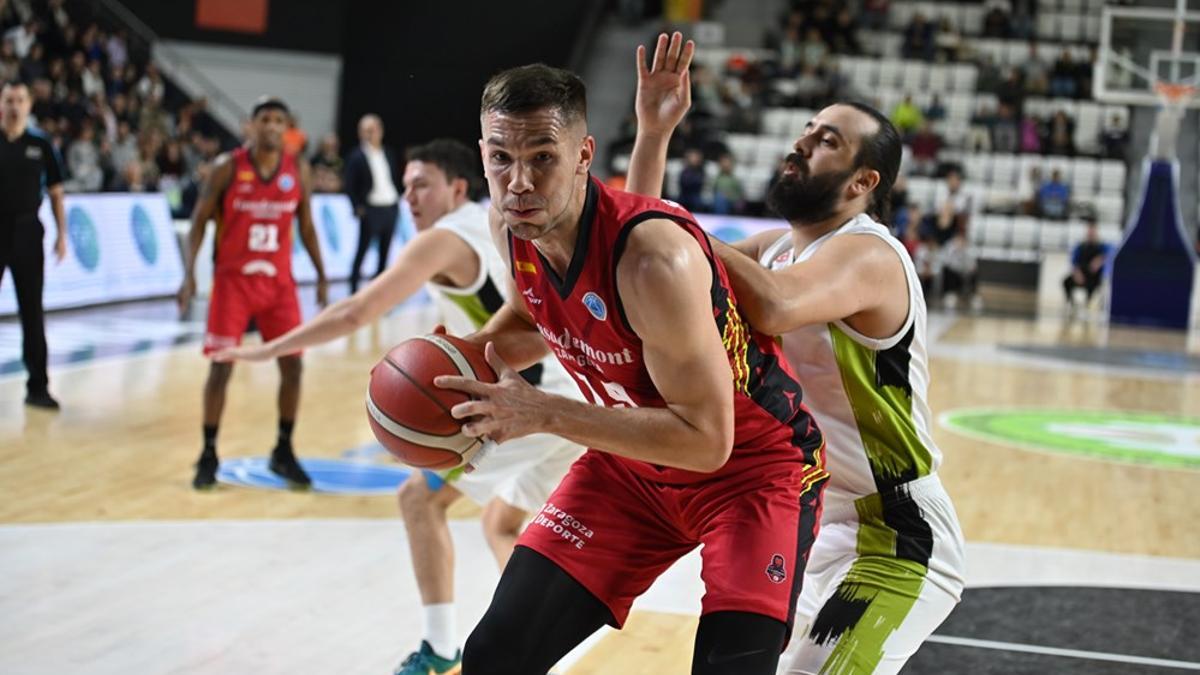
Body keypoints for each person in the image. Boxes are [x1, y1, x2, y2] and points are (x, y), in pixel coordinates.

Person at [441, 34, 826, 675]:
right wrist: (455, 360)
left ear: (584, 155)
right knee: (495, 656)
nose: (520, 181)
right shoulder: (510, 226)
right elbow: (535, 319)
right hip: (629, 468)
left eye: (543, 157)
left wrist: (543, 411)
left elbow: (708, 442)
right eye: (501, 158)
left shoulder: (655, 260)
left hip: (752, 472)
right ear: (482, 155)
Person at [627, 58, 966, 675]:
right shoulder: (779, 249)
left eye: (826, 140)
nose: (802, 142)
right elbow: (654, 245)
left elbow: (776, 305)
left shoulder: (869, 252)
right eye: (807, 130)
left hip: (894, 535)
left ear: (864, 181)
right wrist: (654, 132)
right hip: (809, 522)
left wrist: (681, 232)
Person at [213, 139, 585, 674]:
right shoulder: (488, 227)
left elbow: (356, 312)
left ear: (457, 188)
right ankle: (528, 653)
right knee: (503, 525)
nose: (409, 196)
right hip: (570, 399)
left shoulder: (442, 240)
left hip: (534, 408)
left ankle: (439, 648)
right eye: (405, 185)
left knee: (418, 498)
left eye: (422, 185)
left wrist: (272, 347)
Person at [176, 96, 328, 490]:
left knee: (293, 366)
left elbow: (307, 227)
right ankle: (208, 452)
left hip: (279, 284)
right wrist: (189, 274)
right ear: (251, 125)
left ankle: (283, 448)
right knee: (221, 367)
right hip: (233, 282)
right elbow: (197, 222)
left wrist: (323, 274)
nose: (272, 126)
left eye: (279, 120)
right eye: (265, 119)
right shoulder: (228, 167)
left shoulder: (298, 169)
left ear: (287, 127)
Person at [0, 80, 66, 409]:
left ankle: (38, 387)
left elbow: (56, 191)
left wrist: (62, 235)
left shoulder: (41, 144)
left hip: (28, 231)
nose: (14, 106)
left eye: (20, 100)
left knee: (32, 311)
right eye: (9, 100)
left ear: (29, 105)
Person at [344, 113, 401, 292]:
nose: (370, 134)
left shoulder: (388, 153)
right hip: (371, 209)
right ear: (360, 133)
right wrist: (358, 207)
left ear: (380, 131)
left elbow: (393, 177)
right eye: (366, 131)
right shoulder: (356, 156)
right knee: (362, 252)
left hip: (390, 207)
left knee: (384, 254)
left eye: (373, 130)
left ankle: (378, 292)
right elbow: (349, 184)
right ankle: (353, 290)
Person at [1063, 219, 1109, 312]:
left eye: (1093, 231)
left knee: (1093, 284)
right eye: (1089, 231)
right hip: (1081, 273)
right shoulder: (1081, 246)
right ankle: (1071, 303)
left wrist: (1100, 260)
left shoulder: (1102, 246)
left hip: (1093, 276)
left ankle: (1087, 303)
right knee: (1066, 281)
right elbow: (1074, 261)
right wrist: (1077, 273)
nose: (1091, 233)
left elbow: (1110, 254)